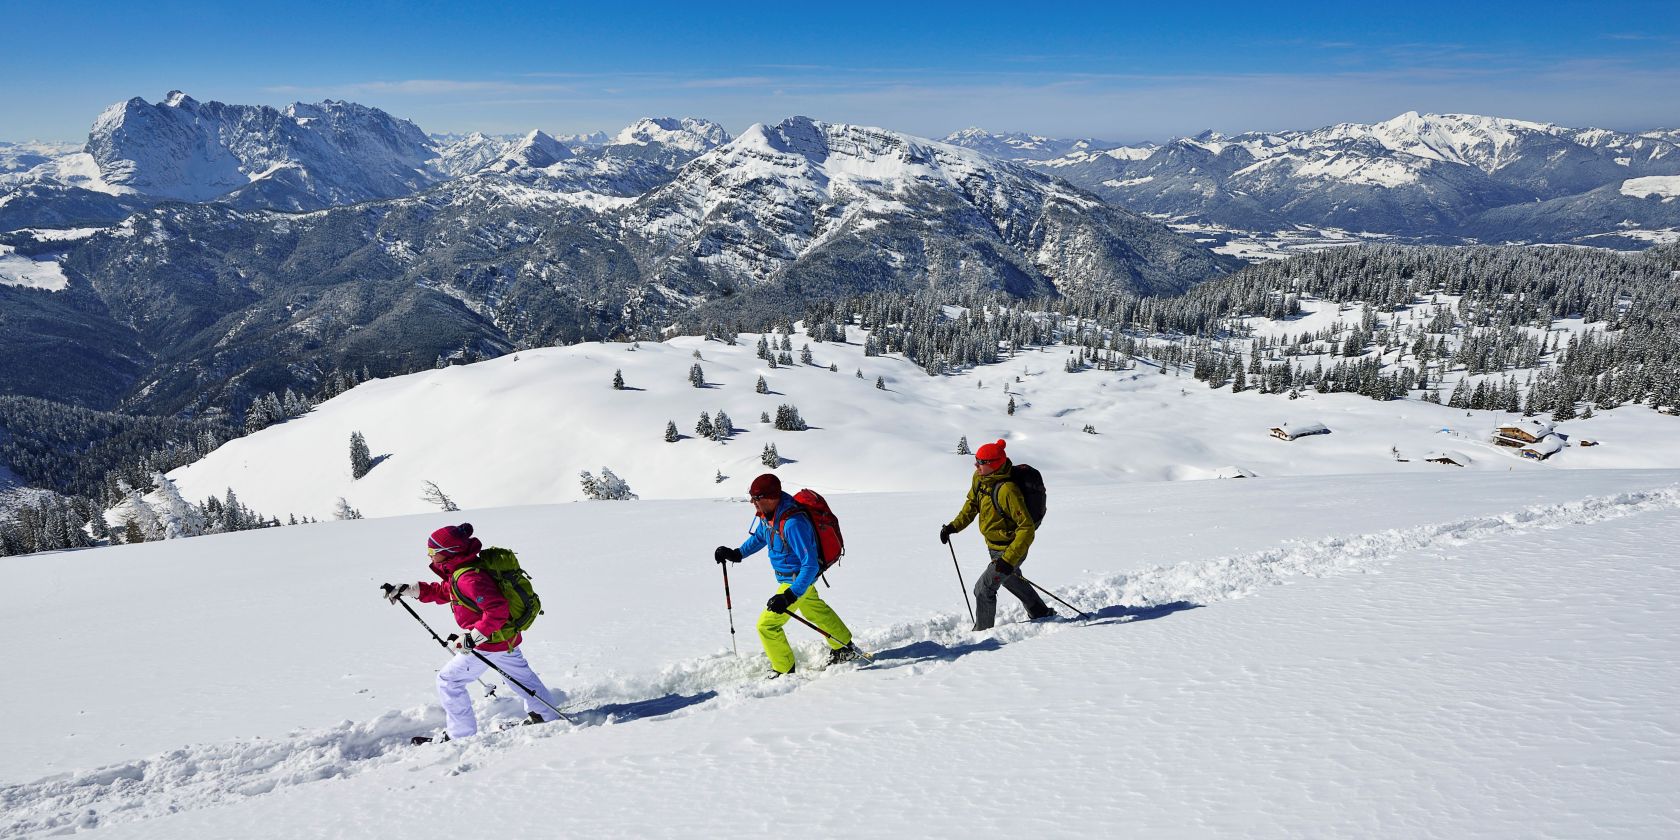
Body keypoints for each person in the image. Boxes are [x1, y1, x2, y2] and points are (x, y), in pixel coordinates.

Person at [383, 523, 562, 741]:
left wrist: (473, 638)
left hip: (488, 643)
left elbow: (497, 610)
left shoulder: (468, 577)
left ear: (449, 553)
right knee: (521, 678)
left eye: (433, 552)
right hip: (505, 638)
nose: (429, 556)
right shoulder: (465, 570)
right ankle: (545, 715)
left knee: (448, 681)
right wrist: (411, 589)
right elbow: (447, 590)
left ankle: (461, 736)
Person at [715, 473, 858, 677]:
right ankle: (844, 647)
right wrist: (737, 554)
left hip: (797, 580)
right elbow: (760, 537)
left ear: (771, 497)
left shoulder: (793, 523)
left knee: (767, 625)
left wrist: (789, 595)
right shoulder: (769, 515)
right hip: (790, 579)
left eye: (756, 498)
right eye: (752, 498)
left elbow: (809, 565)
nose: (752, 503)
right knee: (815, 611)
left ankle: (783, 669)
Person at [940, 439, 1054, 631]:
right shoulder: (980, 479)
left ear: (993, 465)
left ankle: (982, 637)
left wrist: (1008, 560)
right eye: (976, 460)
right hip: (994, 545)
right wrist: (953, 526)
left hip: (1011, 549)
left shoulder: (1008, 490)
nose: (975, 465)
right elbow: (972, 504)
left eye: (980, 462)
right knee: (1011, 579)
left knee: (983, 589)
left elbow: (1026, 529)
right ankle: (1040, 612)